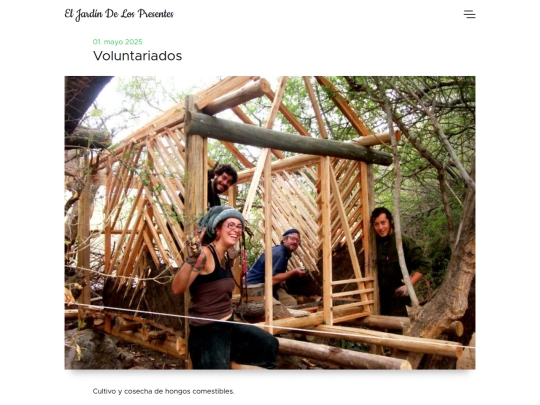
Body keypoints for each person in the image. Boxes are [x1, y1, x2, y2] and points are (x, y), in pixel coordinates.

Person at [172, 206, 278, 369]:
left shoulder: (226, 256)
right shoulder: (204, 255)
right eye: (230, 225)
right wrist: (191, 259)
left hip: (228, 325)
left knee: (268, 344)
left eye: (239, 226)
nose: (236, 229)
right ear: (217, 230)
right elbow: (177, 289)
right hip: (208, 332)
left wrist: (232, 259)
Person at [370, 207, 432, 317]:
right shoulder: (373, 243)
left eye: (383, 223)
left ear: (390, 221)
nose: (380, 228)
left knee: (399, 326)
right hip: (379, 301)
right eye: (376, 224)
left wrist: (408, 285)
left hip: (399, 301)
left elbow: (425, 264)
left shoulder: (403, 241)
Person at [246, 229, 307, 306]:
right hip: (255, 287)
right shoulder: (280, 253)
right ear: (284, 240)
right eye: (292, 238)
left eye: (297, 240)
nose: (295, 242)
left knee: (291, 301)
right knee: (281, 307)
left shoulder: (282, 251)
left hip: (266, 286)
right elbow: (272, 280)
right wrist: (294, 272)